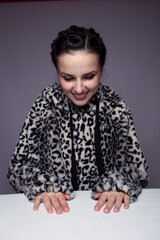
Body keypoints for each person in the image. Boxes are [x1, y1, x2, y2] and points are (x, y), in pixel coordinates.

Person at [8, 25, 149, 215]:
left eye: (89, 76)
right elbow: (18, 168)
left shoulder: (114, 104)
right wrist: (44, 185)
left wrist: (117, 184)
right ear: (57, 71)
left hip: (106, 215)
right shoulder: (45, 103)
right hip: (54, 217)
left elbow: (136, 166)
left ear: (102, 68)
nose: (79, 88)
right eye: (68, 78)